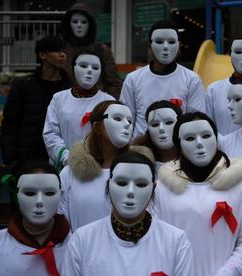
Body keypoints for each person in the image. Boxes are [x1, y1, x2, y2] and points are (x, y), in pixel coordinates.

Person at [150, 112, 242, 276]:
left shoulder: (241, 187)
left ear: (216, 139)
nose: (199, 144)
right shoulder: (161, 189)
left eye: (206, 136)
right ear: (179, 145)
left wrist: (228, 273)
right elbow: (152, 241)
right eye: (189, 138)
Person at [61, 148, 194, 276]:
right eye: (122, 183)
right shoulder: (82, 241)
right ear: (109, 185)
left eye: (141, 184)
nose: (130, 192)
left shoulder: (176, 242)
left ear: (153, 188)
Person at [0, 162, 71, 276]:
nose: (39, 201)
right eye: (30, 193)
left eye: (49, 193)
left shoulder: (77, 246)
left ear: (61, 196)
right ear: (16, 196)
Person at [119, 20, 206, 138]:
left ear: (178, 44)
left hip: (178, 149)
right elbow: (126, 120)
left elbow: (196, 121)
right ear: (149, 45)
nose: (165, 47)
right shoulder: (133, 79)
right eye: (159, 42)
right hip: (142, 150)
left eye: (171, 42)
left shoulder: (191, 79)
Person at [58, 100, 133, 231]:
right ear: (97, 126)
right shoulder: (70, 173)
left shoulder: (138, 172)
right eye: (117, 118)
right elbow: (60, 219)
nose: (127, 125)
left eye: (130, 121)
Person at [1, 36, 71, 170]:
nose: (62, 55)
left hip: (59, 160)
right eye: (57, 51)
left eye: (64, 51)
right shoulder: (23, 85)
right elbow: (10, 123)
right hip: (25, 159)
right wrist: (11, 159)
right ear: (42, 54)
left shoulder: (70, 88)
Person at [43, 50, 115, 169]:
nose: (89, 70)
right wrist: (67, 157)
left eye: (95, 67)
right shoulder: (59, 99)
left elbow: (112, 136)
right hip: (65, 167)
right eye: (83, 66)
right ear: (72, 68)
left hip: (98, 168)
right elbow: (51, 133)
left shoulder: (108, 102)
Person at [60, 3, 122, 98]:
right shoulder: (61, 49)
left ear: (90, 25)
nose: (79, 25)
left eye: (84, 22)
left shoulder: (101, 50)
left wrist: (107, 104)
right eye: (75, 22)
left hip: (95, 107)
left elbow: (114, 82)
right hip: (65, 105)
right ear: (68, 24)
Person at [132, 100, 182, 172]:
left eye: (169, 122)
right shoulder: (136, 164)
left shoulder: (192, 162)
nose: (161, 129)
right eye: (155, 124)